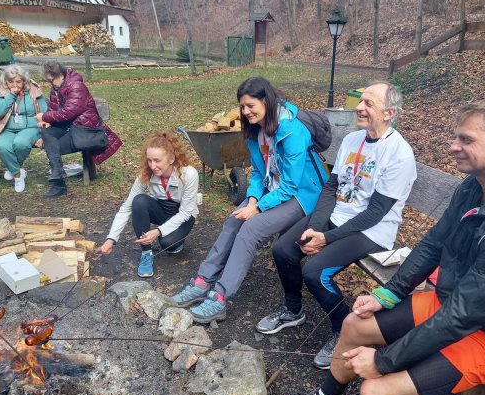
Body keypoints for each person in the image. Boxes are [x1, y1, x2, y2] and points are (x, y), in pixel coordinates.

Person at [273, 99, 485, 395]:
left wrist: (382, 362)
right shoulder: (474, 187)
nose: (453, 147)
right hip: (452, 304)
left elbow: (461, 319)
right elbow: (434, 244)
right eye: (455, 137)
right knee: (354, 324)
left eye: (466, 140)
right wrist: (389, 294)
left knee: (376, 392)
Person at [256, 82, 417, 370]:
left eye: (369, 103)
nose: (359, 107)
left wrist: (326, 239)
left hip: (372, 230)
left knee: (315, 272)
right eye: (361, 101)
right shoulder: (352, 140)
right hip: (338, 217)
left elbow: (376, 213)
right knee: (283, 250)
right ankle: (293, 311)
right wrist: (315, 228)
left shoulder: (399, 154)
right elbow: (331, 188)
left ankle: (344, 329)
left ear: (389, 112)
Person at [172, 77, 327, 323]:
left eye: (250, 106)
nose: (245, 112)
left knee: (251, 229)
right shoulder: (255, 131)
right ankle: (203, 281)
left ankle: (221, 297)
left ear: (266, 101)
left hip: (301, 196)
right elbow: (257, 172)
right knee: (234, 221)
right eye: (242, 107)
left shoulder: (292, 130)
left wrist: (257, 208)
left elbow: (290, 185)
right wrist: (252, 199)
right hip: (271, 189)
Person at [98, 131, 198, 277]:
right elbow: (126, 207)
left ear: (171, 158)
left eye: (157, 160)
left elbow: (185, 212)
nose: (152, 165)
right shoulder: (146, 174)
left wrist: (158, 232)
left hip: (183, 214)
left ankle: (177, 239)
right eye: (149, 160)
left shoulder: (189, 174)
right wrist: (111, 238)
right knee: (139, 201)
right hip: (161, 209)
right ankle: (146, 253)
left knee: (168, 244)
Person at [36, 61, 122, 198]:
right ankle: (58, 177)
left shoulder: (76, 86)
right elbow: (53, 108)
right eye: (48, 81)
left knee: (51, 145)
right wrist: (47, 121)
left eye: (51, 80)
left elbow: (68, 112)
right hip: (68, 127)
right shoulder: (56, 88)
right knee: (47, 133)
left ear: (61, 75)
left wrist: (44, 116)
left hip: (84, 129)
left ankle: (58, 182)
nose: (50, 84)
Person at [0, 65, 47, 193]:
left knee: (21, 143)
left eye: (18, 81)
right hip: (8, 128)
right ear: (6, 82)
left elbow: (46, 113)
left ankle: (12, 170)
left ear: (24, 81)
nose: (14, 84)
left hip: (30, 127)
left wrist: (44, 135)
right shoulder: (2, 92)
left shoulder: (34, 90)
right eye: (11, 81)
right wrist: (10, 96)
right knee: (2, 146)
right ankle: (18, 174)